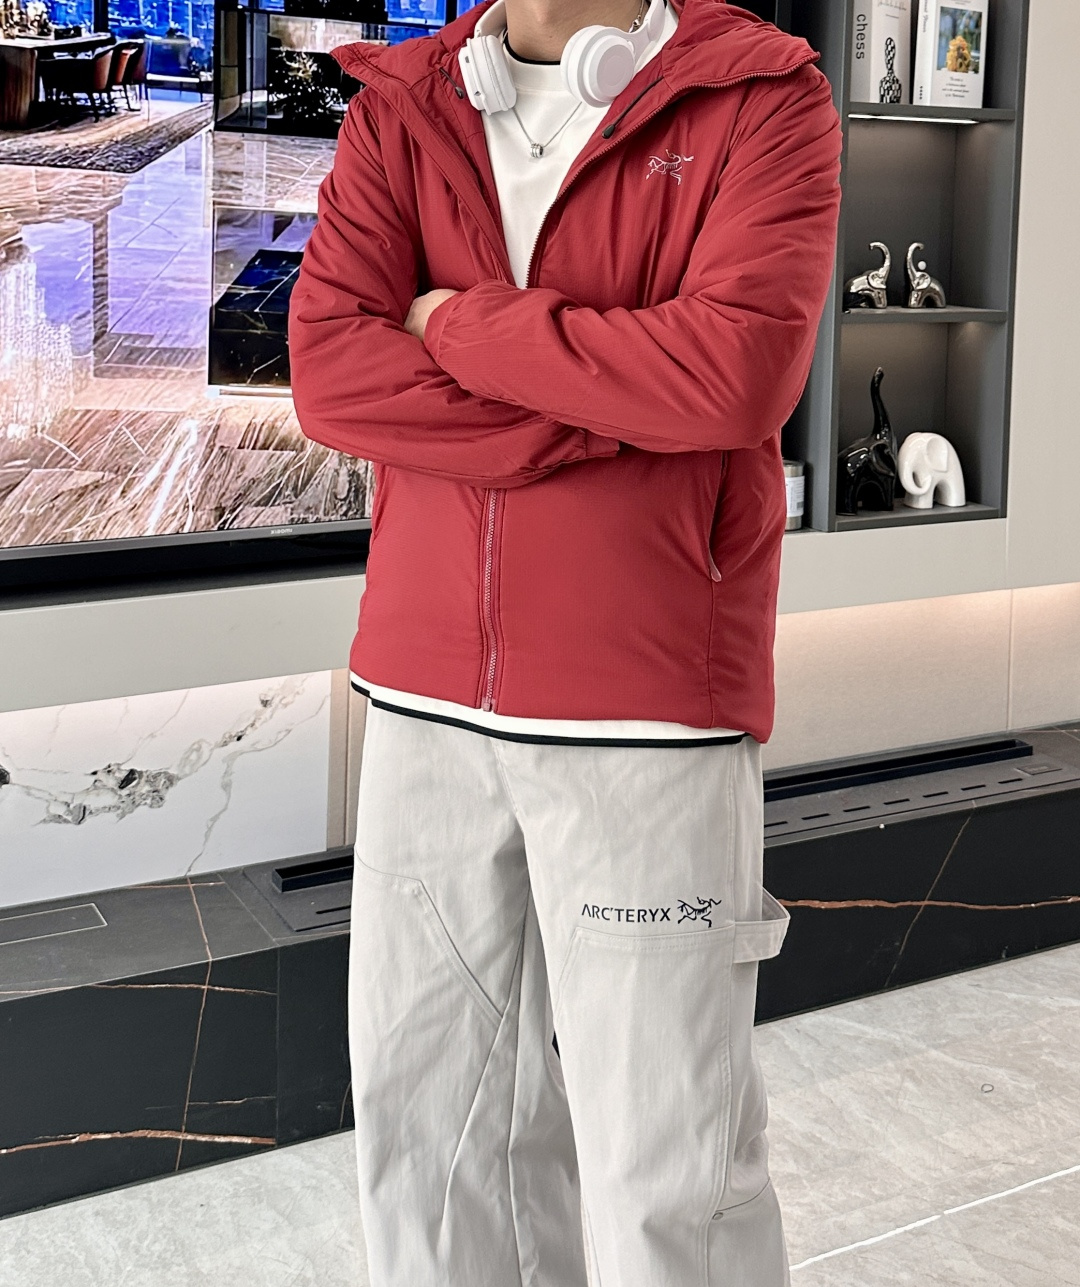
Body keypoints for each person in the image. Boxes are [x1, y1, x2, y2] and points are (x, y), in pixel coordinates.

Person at [288, 0, 841, 1282]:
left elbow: (733, 378)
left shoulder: (760, 95)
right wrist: (614, 406)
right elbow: (330, 374)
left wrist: (455, 327)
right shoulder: (401, 105)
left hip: (646, 704)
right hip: (422, 692)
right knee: (431, 1150)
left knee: (670, 1172)